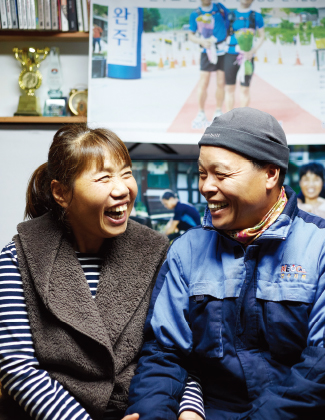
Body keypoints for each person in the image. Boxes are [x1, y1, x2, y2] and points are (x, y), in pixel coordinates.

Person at [125, 108, 325, 420]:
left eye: (221, 174)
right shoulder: (187, 250)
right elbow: (165, 353)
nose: (206, 186)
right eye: (202, 174)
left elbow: (319, 364)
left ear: (271, 173)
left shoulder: (319, 245)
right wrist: (151, 414)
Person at [0, 124, 169, 420]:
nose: (122, 189)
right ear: (62, 193)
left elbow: (175, 350)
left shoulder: (156, 252)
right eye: (104, 178)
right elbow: (17, 366)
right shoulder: (18, 257)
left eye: (126, 173)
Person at [189, 0, 229, 129]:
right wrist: (201, 41)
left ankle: (218, 111)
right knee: (203, 82)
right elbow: (191, 35)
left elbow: (229, 24)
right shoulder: (195, 14)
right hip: (206, 51)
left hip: (222, 50)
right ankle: (201, 112)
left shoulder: (220, 8)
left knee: (220, 82)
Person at [224, 0, 265, 112]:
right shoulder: (231, 15)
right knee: (229, 88)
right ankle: (228, 120)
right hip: (230, 55)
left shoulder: (256, 16)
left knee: (245, 89)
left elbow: (262, 36)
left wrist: (253, 50)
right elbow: (224, 34)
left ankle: (242, 119)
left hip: (247, 57)